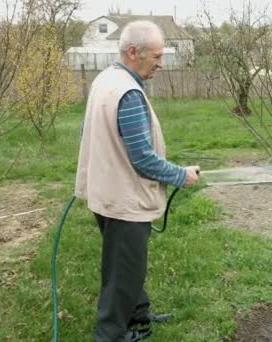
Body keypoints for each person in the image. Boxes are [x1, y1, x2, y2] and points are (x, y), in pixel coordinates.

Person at [75, 20, 200, 342]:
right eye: (156, 56)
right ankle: (111, 335)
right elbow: (142, 158)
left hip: (107, 190)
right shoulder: (128, 93)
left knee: (128, 264)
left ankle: (138, 314)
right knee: (122, 273)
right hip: (122, 198)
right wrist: (179, 175)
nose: (161, 63)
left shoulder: (108, 78)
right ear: (133, 52)